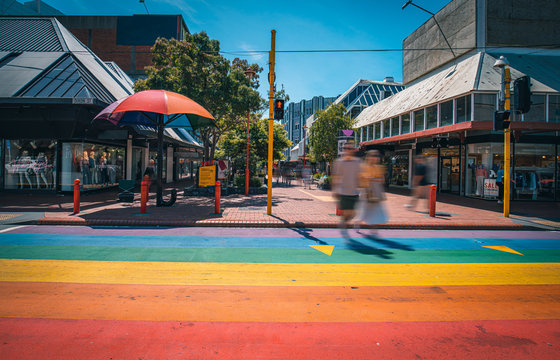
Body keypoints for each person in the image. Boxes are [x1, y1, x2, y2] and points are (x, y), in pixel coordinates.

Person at [354, 150, 388, 235]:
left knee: (376, 210)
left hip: (376, 191)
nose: (375, 158)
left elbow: (382, 180)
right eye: (373, 156)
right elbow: (363, 178)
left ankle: (374, 229)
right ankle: (357, 222)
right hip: (366, 191)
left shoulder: (379, 167)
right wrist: (374, 179)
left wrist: (372, 179)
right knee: (363, 210)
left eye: (377, 156)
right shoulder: (363, 166)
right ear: (368, 157)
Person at [333, 143, 361, 231]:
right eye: (346, 148)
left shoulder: (358, 162)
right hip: (343, 192)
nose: (348, 150)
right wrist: (335, 190)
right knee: (346, 213)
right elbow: (336, 177)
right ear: (344, 150)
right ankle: (343, 226)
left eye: (350, 148)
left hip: (355, 191)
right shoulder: (339, 162)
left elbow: (361, 175)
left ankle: (344, 223)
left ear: (353, 150)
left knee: (353, 213)